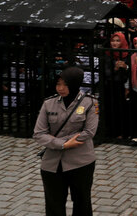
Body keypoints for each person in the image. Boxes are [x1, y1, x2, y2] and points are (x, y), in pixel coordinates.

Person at [33, 67, 99, 216]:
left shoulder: (90, 103)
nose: (60, 88)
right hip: (52, 163)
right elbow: (38, 133)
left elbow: (89, 132)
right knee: (53, 205)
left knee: (82, 203)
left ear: (74, 84)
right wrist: (62, 144)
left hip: (81, 161)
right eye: (58, 84)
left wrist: (52, 140)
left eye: (65, 84)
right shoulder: (49, 103)